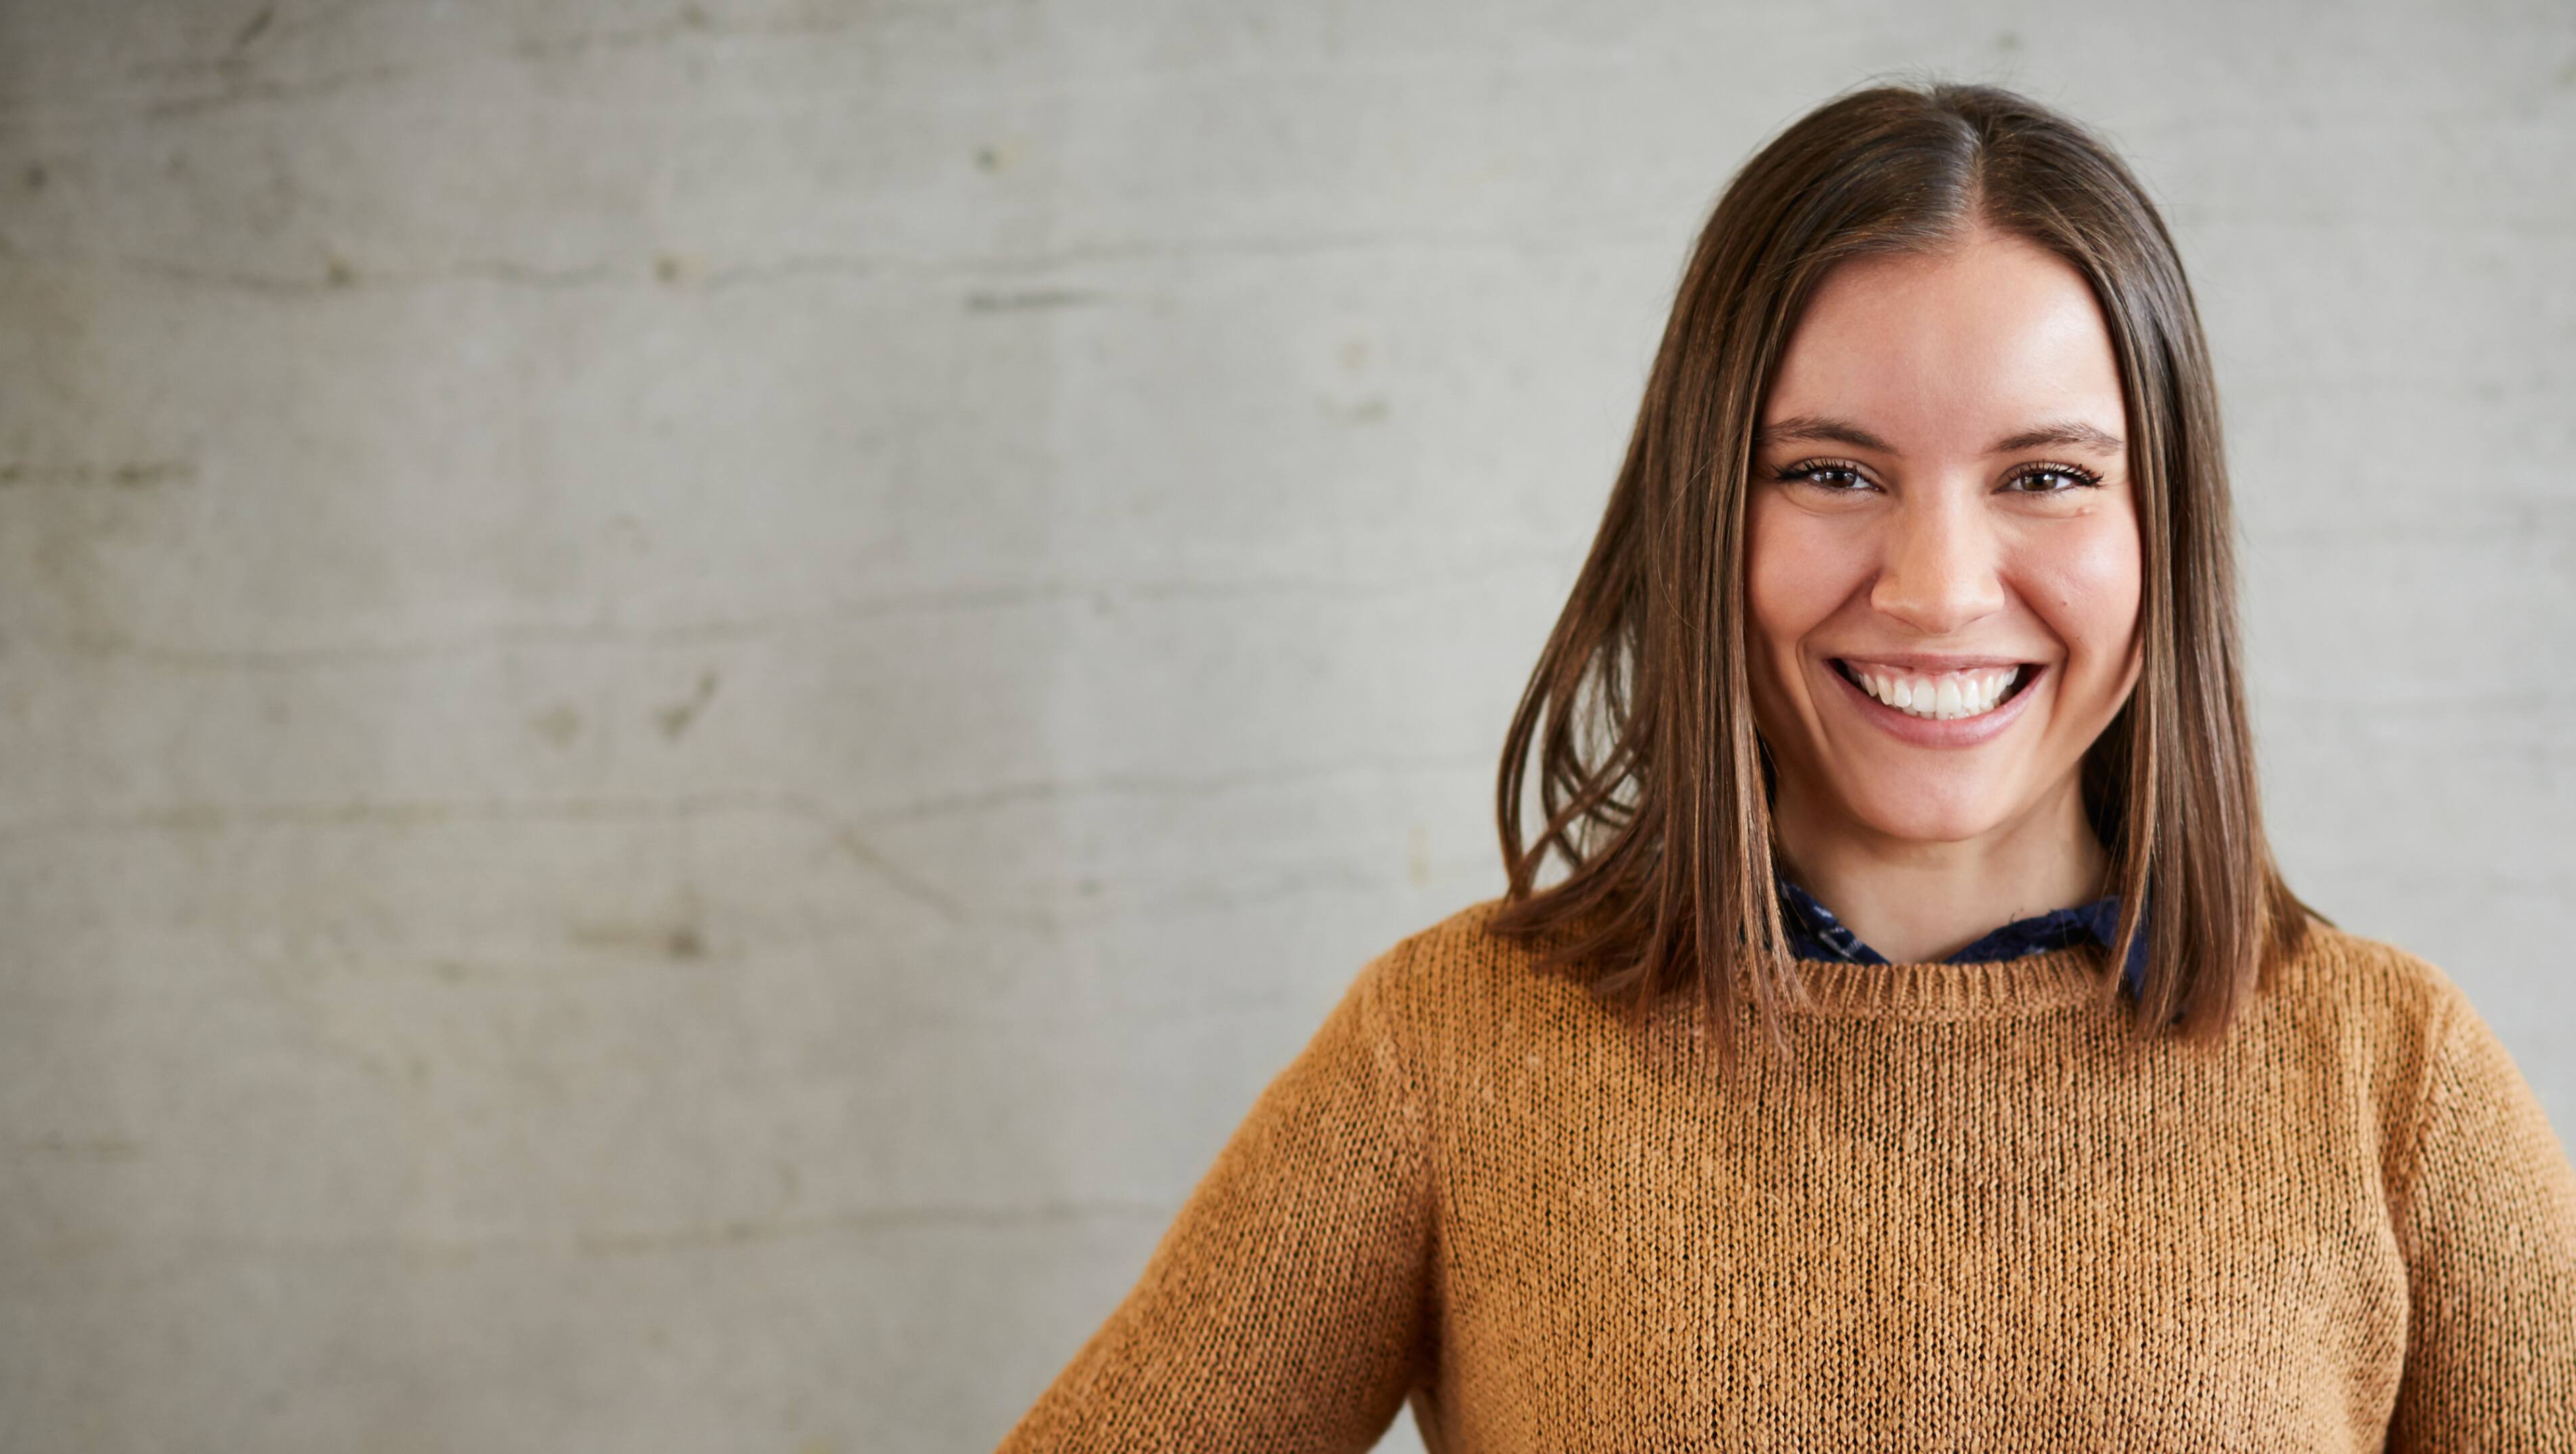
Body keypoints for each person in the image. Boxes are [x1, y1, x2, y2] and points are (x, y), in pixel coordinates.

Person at [993, 81, 2576, 1451]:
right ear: (1704, 516)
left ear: (2165, 533)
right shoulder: (1452, 1053)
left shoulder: (2395, 1079)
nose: (1939, 584)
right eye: (1830, 472)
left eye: (2045, 476)